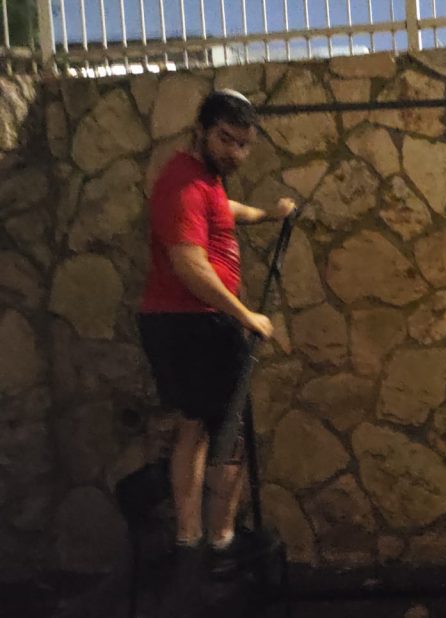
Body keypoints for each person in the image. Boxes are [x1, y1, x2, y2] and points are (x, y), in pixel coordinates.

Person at [137, 89, 294, 573]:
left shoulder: (202, 181)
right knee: (229, 434)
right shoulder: (182, 185)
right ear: (200, 131)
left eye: (244, 144)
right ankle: (218, 543)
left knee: (197, 427)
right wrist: (245, 316)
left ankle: (192, 539)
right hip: (193, 323)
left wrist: (268, 213)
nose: (235, 152)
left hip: (184, 322)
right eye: (226, 139)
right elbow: (189, 266)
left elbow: (226, 211)